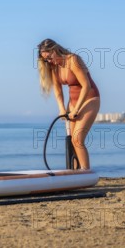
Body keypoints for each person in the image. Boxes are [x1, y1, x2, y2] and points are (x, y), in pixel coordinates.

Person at [37, 38, 101, 170]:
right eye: (45, 60)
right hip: (72, 103)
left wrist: (77, 109)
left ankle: (85, 173)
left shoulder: (73, 60)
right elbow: (58, 90)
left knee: (78, 139)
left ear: (54, 50)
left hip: (89, 98)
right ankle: (76, 173)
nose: (49, 61)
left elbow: (86, 86)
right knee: (72, 142)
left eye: (49, 57)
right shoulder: (54, 67)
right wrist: (61, 108)